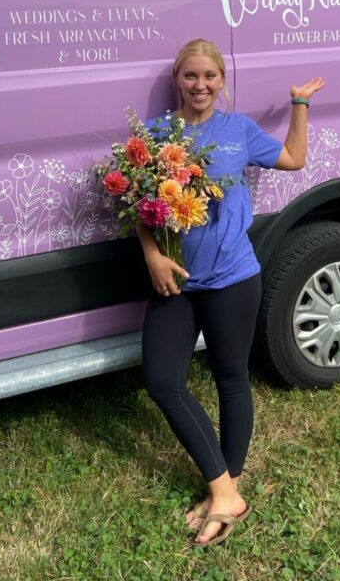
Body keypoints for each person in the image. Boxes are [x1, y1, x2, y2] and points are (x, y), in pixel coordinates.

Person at [136, 38, 325, 546]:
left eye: (210, 76)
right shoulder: (156, 134)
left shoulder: (238, 129)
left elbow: (293, 158)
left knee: (230, 379)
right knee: (163, 383)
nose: (200, 85)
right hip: (176, 280)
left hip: (233, 277)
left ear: (221, 81)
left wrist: (299, 104)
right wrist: (152, 254)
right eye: (191, 75)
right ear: (178, 80)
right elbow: (141, 204)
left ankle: (226, 492)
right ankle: (225, 493)